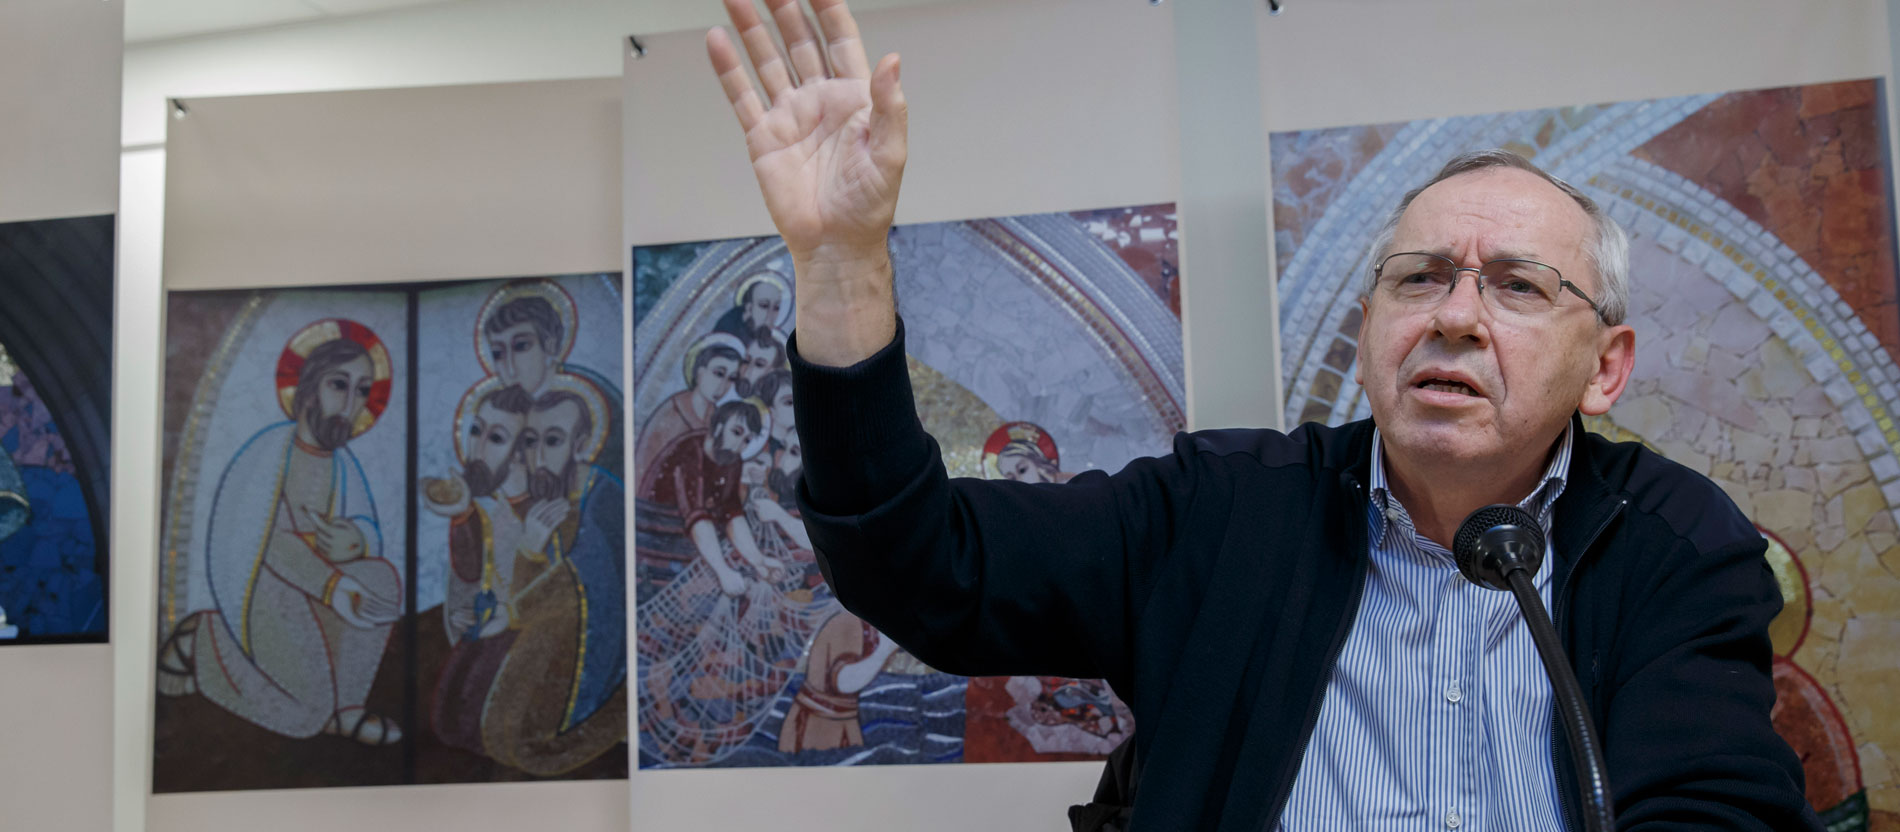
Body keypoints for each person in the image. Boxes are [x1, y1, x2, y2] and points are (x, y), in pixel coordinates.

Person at [703, 2, 1820, 830]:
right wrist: (842, 261)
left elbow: (1719, 815)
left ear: (1604, 368)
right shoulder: (1223, 511)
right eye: (1419, 277)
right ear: (1370, 323)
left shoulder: (1676, 545)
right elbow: (919, 566)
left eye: (1518, 286)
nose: (1456, 317)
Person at [156, 321, 402, 746]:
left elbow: (366, 528)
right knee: (304, 716)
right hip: (267, 590)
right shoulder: (270, 453)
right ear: (307, 389)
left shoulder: (344, 466)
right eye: (338, 385)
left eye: (362, 391)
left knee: (381, 580)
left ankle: (348, 709)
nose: (350, 404)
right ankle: (206, 643)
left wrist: (357, 540)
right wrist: (332, 583)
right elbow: (260, 539)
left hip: (326, 590)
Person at [466, 384, 628, 775]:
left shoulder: (603, 496)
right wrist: (529, 549)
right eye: (531, 441)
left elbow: (591, 583)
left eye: (552, 441)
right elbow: (532, 581)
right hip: (554, 630)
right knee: (499, 733)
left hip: (600, 642)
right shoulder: (553, 492)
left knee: (529, 743)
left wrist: (514, 611)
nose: (538, 456)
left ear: (581, 444)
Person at [634, 333, 744, 480]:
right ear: (699, 371)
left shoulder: (719, 418)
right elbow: (646, 470)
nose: (723, 385)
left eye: (731, 378)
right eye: (718, 373)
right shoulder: (672, 414)